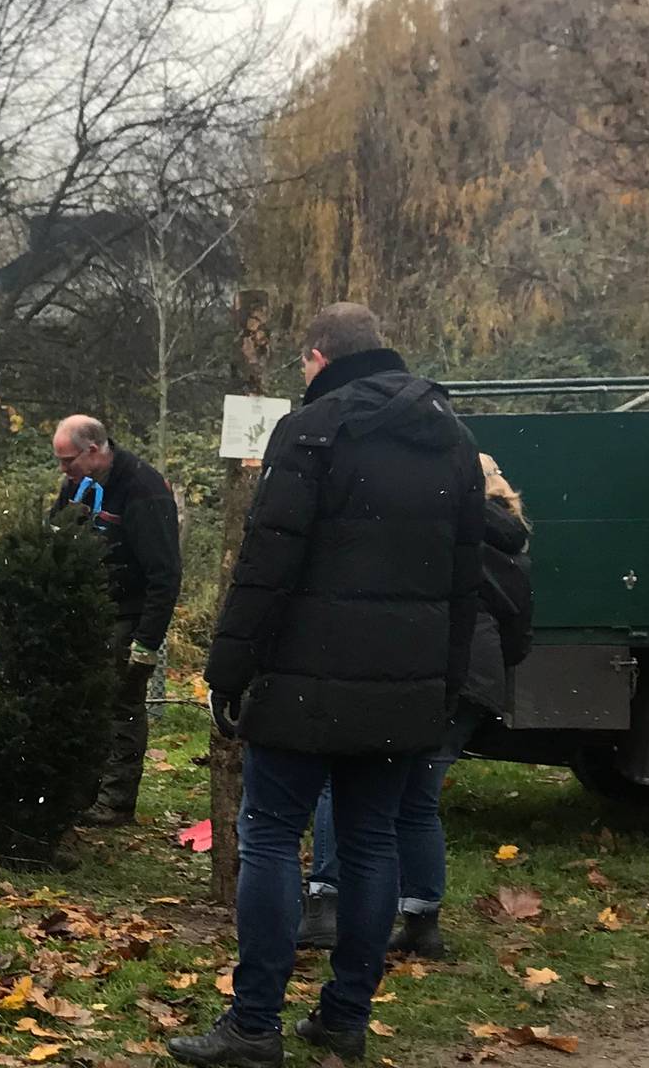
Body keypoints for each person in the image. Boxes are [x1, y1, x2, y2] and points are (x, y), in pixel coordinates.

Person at [170, 303, 486, 1068]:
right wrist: (444, 686)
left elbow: (265, 563)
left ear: (317, 357)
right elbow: (463, 580)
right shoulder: (453, 437)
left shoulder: (313, 428)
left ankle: (254, 1025)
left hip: (306, 684)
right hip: (405, 687)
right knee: (373, 841)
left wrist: (227, 671)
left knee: (272, 835)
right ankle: (344, 1018)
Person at [300, 453, 534, 957]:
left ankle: (325, 906)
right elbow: (518, 630)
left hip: (429, 673)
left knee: (340, 782)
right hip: (479, 681)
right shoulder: (513, 540)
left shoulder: (446, 526)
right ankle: (422, 922)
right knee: (417, 802)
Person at [50, 414, 185, 827]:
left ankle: (115, 800)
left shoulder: (143, 490)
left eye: (68, 460)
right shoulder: (76, 483)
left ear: (93, 451)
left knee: (121, 706)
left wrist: (146, 643)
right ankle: (82, 792)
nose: (63, 470)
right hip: (86, 611)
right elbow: (55, 528)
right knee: (86, 702)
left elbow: (165, 574)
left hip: (127, 616)